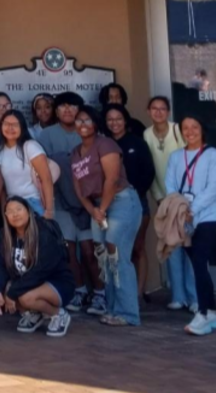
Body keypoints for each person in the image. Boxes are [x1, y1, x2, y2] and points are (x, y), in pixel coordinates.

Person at [72, 107, 143, 326]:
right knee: (104, 259)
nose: (83, 124)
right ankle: (113, 309)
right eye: (79, 121)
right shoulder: (76, 152)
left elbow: (112, 179)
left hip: (121, 202)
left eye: (87, 120)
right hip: (96, 206)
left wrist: (101, 208)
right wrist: (93, 209)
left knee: (117, 254)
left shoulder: (106, 145)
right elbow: (78, 188)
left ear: (95, 124)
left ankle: (129, 314)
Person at [36, 93, 99, 313]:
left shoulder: (89, 134)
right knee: (69, 252)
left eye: (73, 106)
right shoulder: (46, 135)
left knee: (90, 252)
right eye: (62, 106)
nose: (68, 110)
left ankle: (99, 293)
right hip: (60, 204)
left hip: (89, 204)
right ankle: (78, 291)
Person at [166, 116, 216, 336]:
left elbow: (213, 189)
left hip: (208, 217)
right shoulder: (176, 157)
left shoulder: (214, 156)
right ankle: (213, 311)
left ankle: (202, 313)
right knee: (197, 264)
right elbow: (170, 186)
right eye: (185, 128)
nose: (190, 131)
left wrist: (192, 210)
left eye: (195, 127)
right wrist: (182, 211)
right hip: (184, 219)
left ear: (203, 129)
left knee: (200, 260)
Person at [0, 197, 75, 338]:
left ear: (29, 211)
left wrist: (13, 292)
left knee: (25, 297)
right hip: (30, 282)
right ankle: (35, 314)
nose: (15, 214)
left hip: (57, 283)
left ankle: (58, 314)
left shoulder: (43, 232)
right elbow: (0, 265)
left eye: (19, 209)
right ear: (5, 216)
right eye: (10, 211)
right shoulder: (4, 235)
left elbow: (41, 271)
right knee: (7, 289)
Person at [107, 104, 161, 305]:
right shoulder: (103, 144)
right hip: (109, 203)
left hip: (137, 201)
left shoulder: (137, 143)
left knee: (137, 247)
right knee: (114, 251)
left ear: (125, 121)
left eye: (118, 118)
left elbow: (148, 172)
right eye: (110, 119)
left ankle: (138, 293)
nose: (114, 123)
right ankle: (119, 295)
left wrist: (133, 194)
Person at [143, 96, 193, 311]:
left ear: (169, 111)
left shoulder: (177, 130)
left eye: (163, 108)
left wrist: (186, 198)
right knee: (171, 246)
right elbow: (150, 169)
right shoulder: (146, 134)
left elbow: (189, 162)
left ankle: (195, 297)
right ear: (148, 111)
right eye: (154, 108)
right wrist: (158, 197)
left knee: (191, 247)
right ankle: (178, 296)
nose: (159, 112)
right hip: (165, 200)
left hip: (186, 198)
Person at [0, 111, 53, 219]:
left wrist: (49, 211)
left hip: (33, 203)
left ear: (22, 127)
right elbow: (2, 188)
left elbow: (46, 179)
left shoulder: (30, 146)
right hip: (12, 205)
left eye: (15, 125)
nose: (10, 128)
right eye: (6, 124)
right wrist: (5, 210)